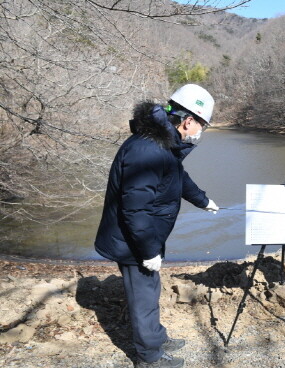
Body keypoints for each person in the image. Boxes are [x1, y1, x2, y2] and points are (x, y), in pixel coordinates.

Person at [95, 84, 220, 368]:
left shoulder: (162, 144)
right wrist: (150, 250)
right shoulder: (148, 150)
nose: (201, 131)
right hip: (133, 241)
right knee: (143, 296)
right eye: (202, 125)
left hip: (143, 237)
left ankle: (156, 337)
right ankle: (149, 357)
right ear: (188, 121)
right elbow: (135, 209)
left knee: (150, 289)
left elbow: (177, 177)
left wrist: (202, 200)